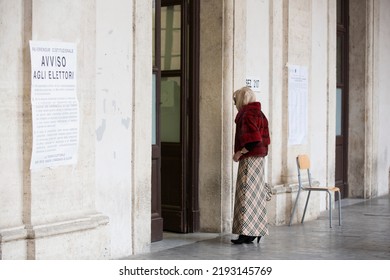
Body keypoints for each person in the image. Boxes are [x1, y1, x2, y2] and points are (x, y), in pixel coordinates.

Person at [231, 86, 271, 244]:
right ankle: (255, 231)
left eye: (236, 100)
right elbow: (265, 140)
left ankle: (246, 233)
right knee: (255, 197)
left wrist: (239, 153)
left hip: (250, 159)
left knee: (245, 196)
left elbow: (254, 139)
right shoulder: (260, 113)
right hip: (259, 160)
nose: (235, 104)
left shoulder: (247, 114)